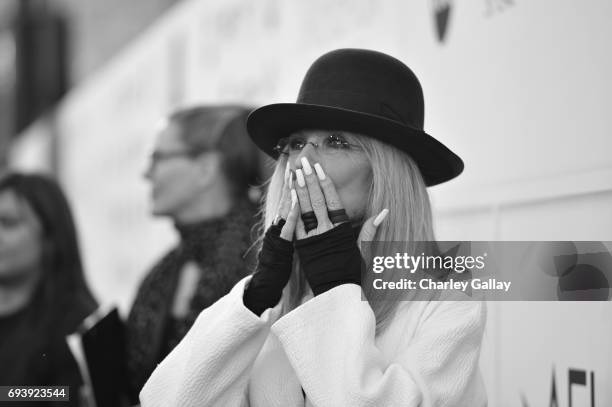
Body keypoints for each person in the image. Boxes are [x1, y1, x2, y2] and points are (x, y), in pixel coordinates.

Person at [139, 49, 487, 406]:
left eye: (336, 142)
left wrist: (335, 291)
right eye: (294, 143)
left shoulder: (445, 301)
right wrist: (256, 297)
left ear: (386, 174)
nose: (300, 161)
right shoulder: (276, 300)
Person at [125, 105, 262, 402]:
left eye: (157, 158)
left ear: (205, 169)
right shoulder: (167, 268)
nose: (146, 173)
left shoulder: (260, 260)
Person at [0, 173, 98, 406]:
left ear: (50, 238)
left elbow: (64, 394)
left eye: (8, 223)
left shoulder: (78, 323)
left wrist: (5, 394)